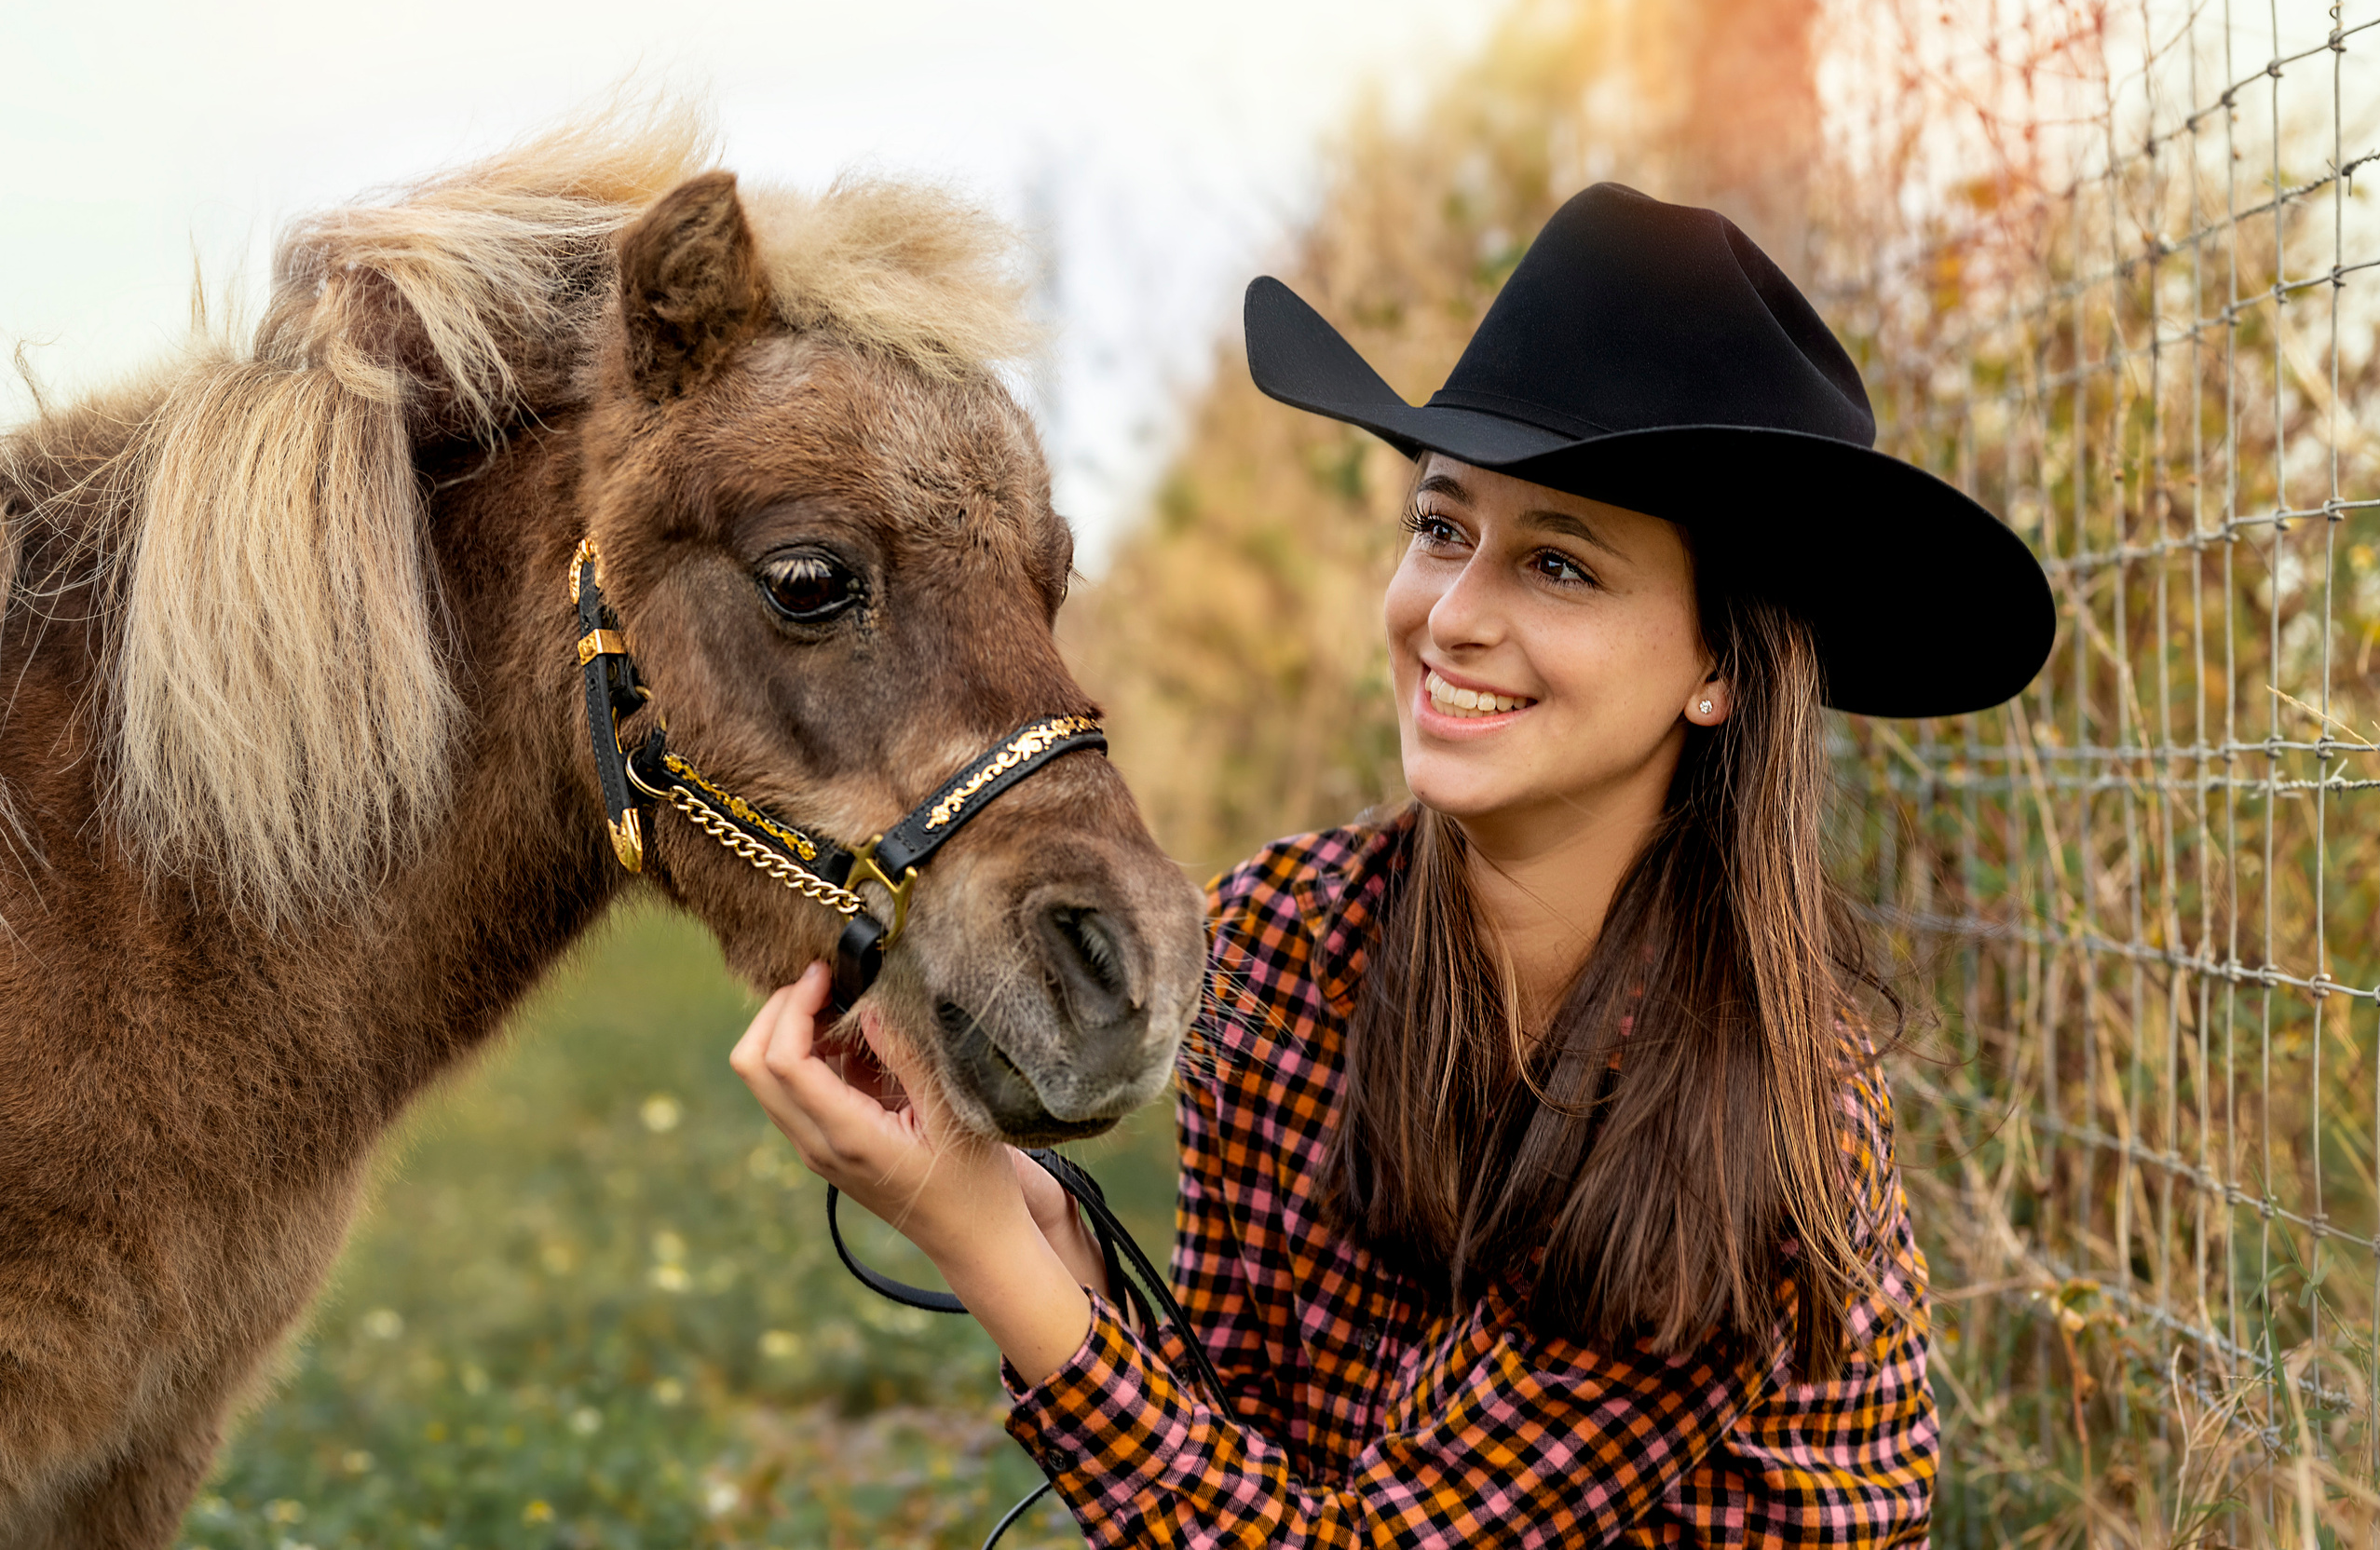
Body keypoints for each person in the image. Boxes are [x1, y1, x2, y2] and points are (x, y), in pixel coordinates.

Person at [733, 183, 2055, 1545]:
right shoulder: (1293, 942)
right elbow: (1235, 1452)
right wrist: (1037, 1223)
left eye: (1560, 566)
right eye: (1442, 527)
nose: (1452, 616)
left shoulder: (1759, 1129)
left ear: (1719, 664)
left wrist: (979, 1245)